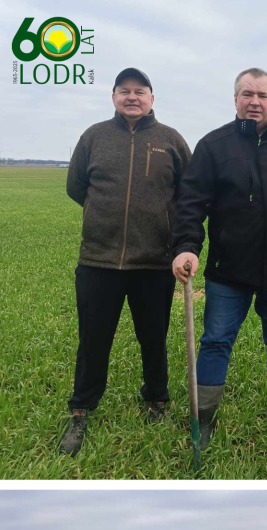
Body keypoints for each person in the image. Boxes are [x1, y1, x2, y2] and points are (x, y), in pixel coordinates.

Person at [172, 68, 267, 446]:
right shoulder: (213, 146)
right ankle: (204, 419)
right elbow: (191, 203)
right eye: (247, 94)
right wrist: (186, 246)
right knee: (215, 342)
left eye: (262, 95)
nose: (254, 101)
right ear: (235, 100)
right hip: (229, 272)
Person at [60, 68, 191, 456]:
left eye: (140, 91)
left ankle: (156, 400)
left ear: (152, 98)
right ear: (114, 97)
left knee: (153, 338)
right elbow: (75, 186)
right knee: (93, 339)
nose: (132, 97)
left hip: (154, 261)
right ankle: (81, 409)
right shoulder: (94, 136)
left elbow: (188, 193)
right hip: (98, 260)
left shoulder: (170, 141)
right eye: (124, 91)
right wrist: (102, 214)